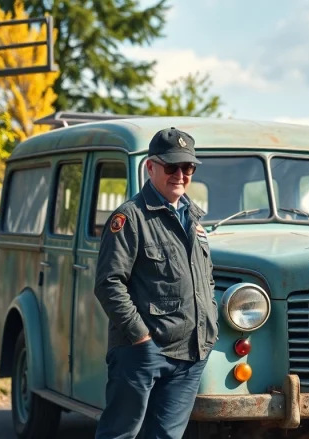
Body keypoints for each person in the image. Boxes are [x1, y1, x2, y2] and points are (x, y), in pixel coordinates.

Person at [93, 127, 218, 439]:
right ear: (151, 167)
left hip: (191, 355)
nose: (180, 175)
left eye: (187, 167)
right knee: (120, 433)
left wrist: (210, 326)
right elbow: (109, 283)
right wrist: (141, 338)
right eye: (171, 166)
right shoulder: (130, 218)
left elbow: (206, 279)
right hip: (143, 352)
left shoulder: (194, 219)